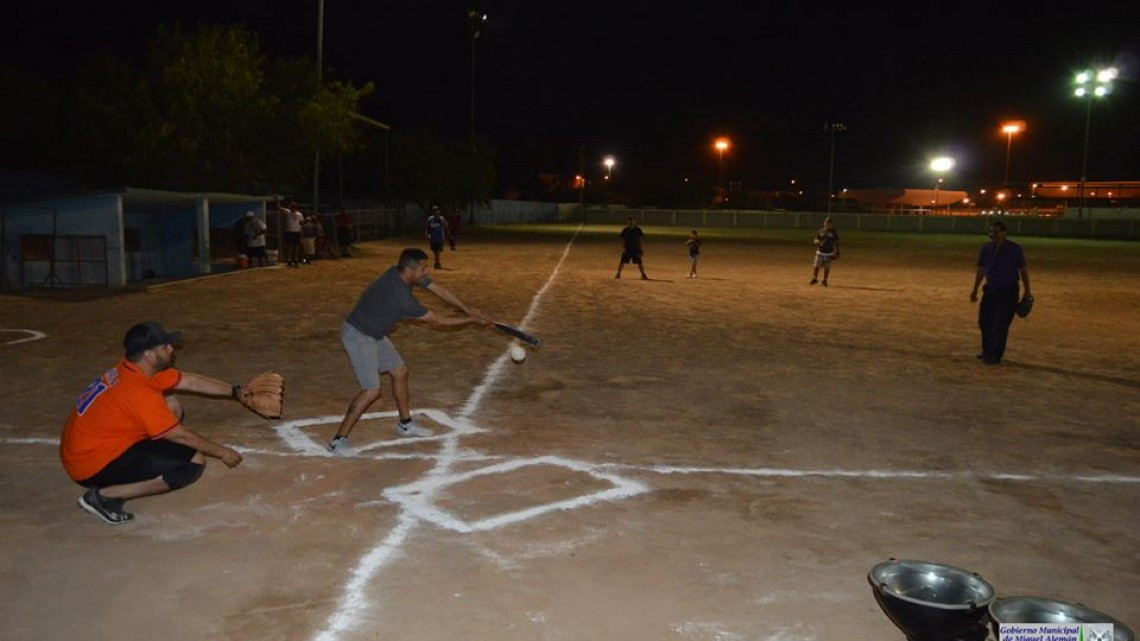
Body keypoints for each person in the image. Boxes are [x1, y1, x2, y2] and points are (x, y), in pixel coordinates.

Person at [59, 322, 245, 524]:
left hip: (88, 447)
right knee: (193, 462)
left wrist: (237, 392)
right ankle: (104, 497)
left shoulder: (134, 368)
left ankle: (137, 461)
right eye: (165, 346)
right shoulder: (138, 390)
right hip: (90, 465)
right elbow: (179, 434)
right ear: (148, 354)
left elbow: (191, 381)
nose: (171, 349)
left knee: (171, 405)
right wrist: (222, 452)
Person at [328, 248, 492, 455]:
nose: (426, 272)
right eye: (423, 269)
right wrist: (473, 320)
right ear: (409, 270)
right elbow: (438, 321)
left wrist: (467, 309)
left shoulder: (397, 272)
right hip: (359, 336)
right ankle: (337, 441)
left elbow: (438, 289)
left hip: (374, 333)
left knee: (400, 371)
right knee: (371, 390)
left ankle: (405, 424)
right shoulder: (401, 297)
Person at [970, 220, 1031, 365]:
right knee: (985, 321)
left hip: (1008, 290)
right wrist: (975, 289)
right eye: (991, 231)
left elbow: (1023, 270)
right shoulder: (986, 248)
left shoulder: (1014, 249)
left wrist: (1027, 292)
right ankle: (987, 350)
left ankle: (995, 354)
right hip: (991, 289)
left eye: (996, 231)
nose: (993, 234)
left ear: (1004, 233)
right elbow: (982, 270)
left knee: (1000, 323)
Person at [810, 216, 840, 286]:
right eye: (827, 223)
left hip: (829, 253)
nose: (828, 224)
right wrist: (817, 242)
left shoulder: (833, 232)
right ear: (824, 223)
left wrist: (838, 251)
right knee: (816, 265)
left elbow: (837, 241)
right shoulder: (820, 231)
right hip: (820, 252)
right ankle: (815, 278)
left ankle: (825, 280)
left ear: (831, 224)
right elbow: (815, 240)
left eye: (829, 223)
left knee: (827, 267)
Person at [279, 200, 305, 267]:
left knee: (297, 246)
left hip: (297, 232)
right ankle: (289, 259)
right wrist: (277, 200)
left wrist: (302, 232)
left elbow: (301, 224)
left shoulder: (299, 214)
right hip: (289, 231)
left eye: (292, 207)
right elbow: (279, 208)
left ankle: (295, 259)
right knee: (290, 246)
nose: (290, 208)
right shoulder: (288, 212)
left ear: (295, 208)